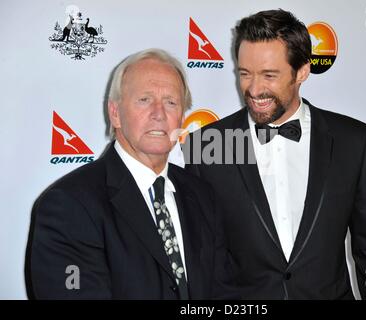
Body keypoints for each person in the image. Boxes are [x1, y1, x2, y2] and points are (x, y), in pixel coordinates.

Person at [184, 9, 366, 299]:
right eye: (245, 74)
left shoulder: (352, 142)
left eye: (269, 75)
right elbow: (200, 261)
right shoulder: (209, 145)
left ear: (302, 71)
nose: (254, 89)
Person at [25, 49, 234, 299]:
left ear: (182, 117)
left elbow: (225, 296)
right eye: (144, 100)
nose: (159, 113)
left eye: (171, 102)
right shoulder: (69, 205)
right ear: (115, 113)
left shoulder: (203, 197)